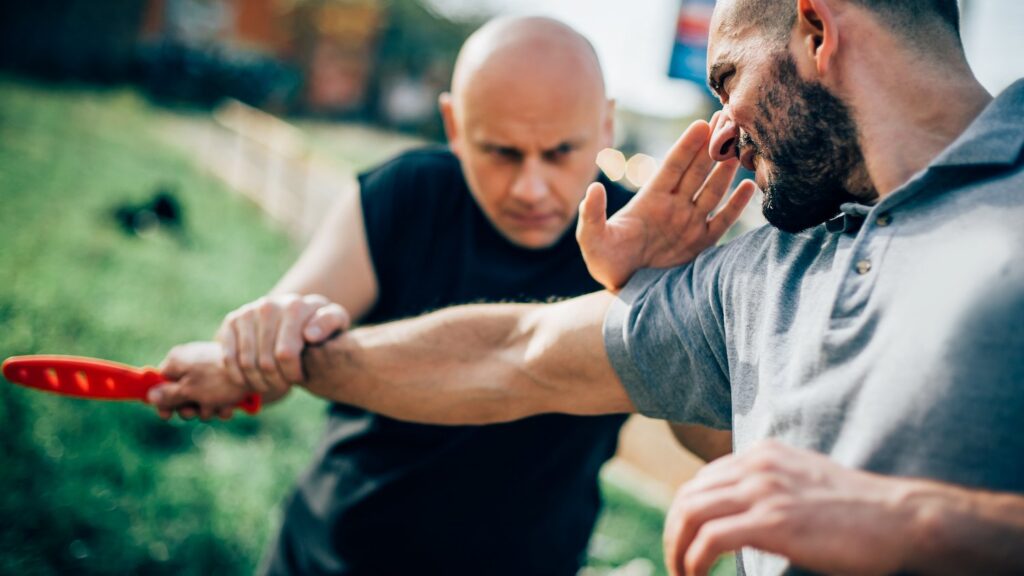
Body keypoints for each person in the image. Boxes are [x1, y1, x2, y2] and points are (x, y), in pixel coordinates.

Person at [152, 0, 1024, 574]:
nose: (720, 127)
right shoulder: (762, 267)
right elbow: (514, 353)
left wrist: (918, 521)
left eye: (727, 77)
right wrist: (283, 358)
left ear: (816, 29)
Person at [155, 16, 748, 576]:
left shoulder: (648, 236)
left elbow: (717, 443)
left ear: (605, 126)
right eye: (502, 152)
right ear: (455, 124)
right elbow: (272, 354)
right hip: (333, 555)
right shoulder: (406, 194)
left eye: (562, 152)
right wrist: (256, 342)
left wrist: (667, 294)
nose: (531, 186)